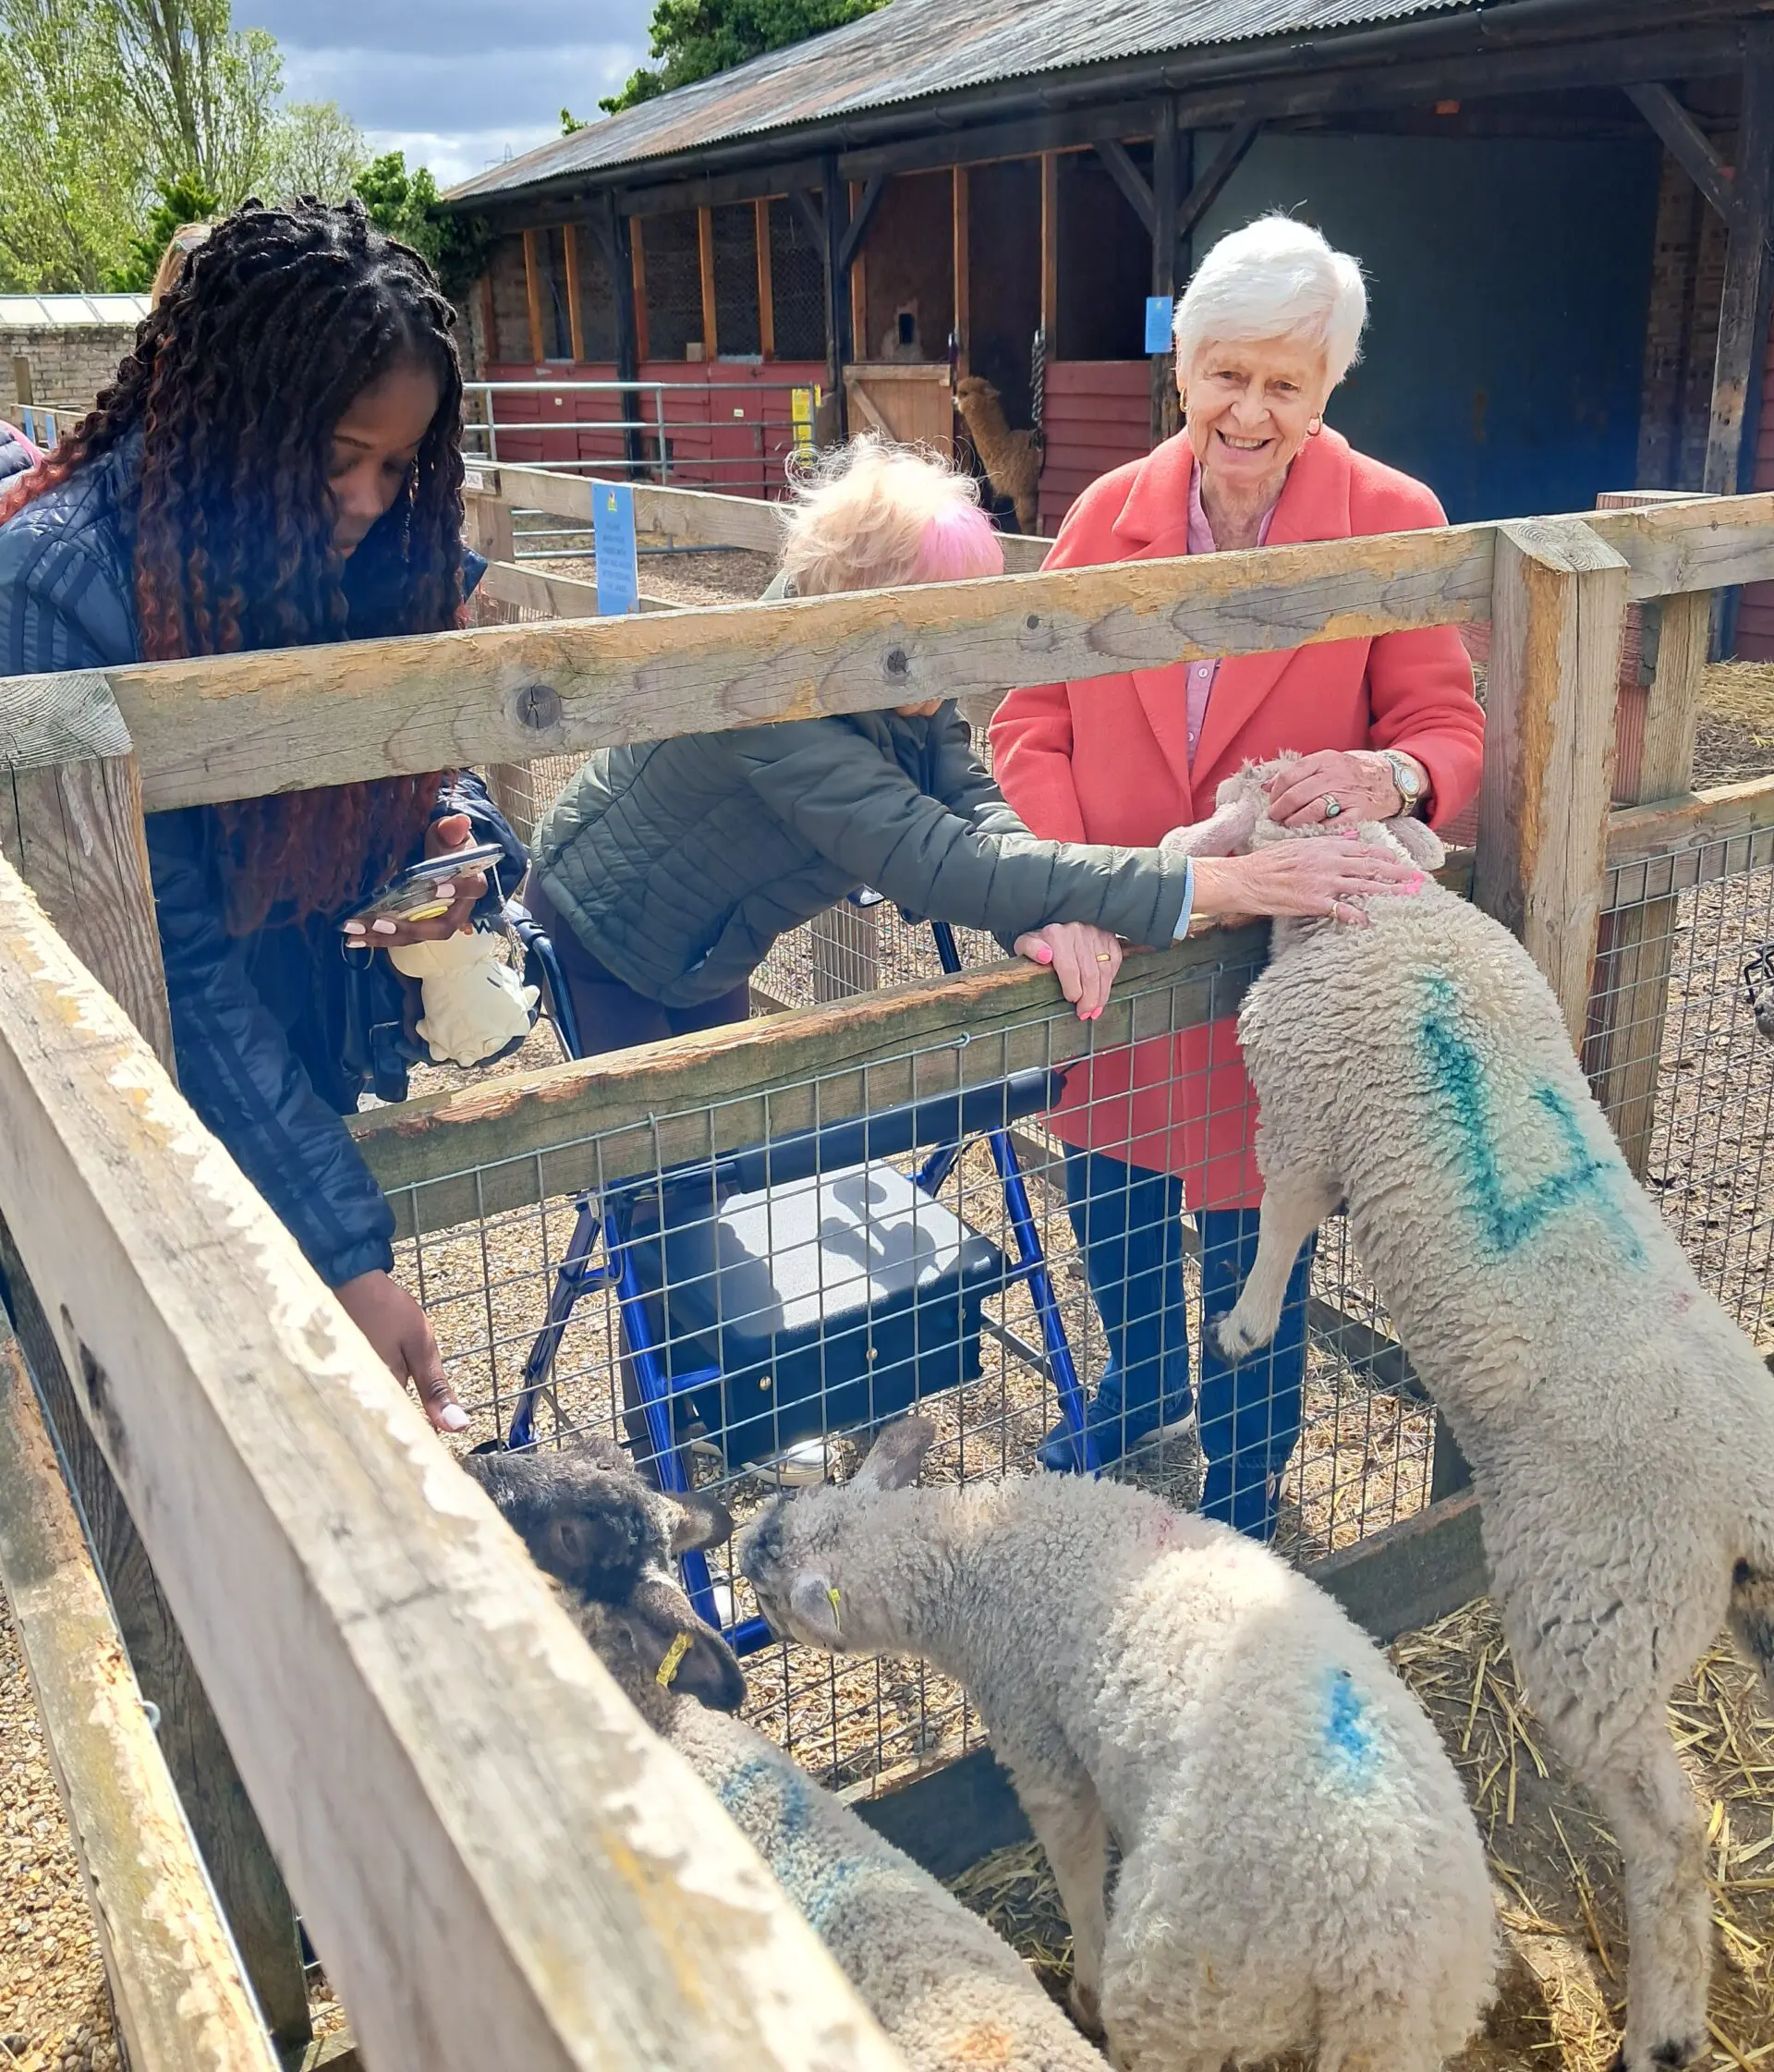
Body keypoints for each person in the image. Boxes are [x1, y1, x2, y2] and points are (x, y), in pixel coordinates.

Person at [991, 214, 1486, 1530]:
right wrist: (1062, 883)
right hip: (1123, 944)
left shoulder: (1391, 522)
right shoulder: (1107, 513)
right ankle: (1140, 1392)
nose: (1249, 412)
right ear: (1184, 370)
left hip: (1280, 990)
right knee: (1116, 1213)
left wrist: (1398, 780)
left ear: (1328, 387)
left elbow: (1445, 728)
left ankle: (1244, 1492)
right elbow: (1028, 720)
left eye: (1285, 383)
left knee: (1260, 1263)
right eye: (1226, 376)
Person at [0, 201, 526, 1431]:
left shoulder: (347, 556)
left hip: (288, 1039)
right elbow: (149, 944)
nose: (365, 498)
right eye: (339, 454)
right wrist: (344, 1242)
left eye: (397, 466)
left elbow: (413, 749)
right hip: (127, 1100)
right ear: (241, 415)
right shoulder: (58, 588)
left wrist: (453, 844)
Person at [528, 438, 1420, 1054]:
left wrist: (1054, 904)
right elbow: (938, 860)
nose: (955, 662)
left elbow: (970, 800)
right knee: (658, 1191)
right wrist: (1220, 883)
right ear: (863, 600)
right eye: (939, 632)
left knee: (720, 1165)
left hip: (711, 943)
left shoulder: (896, 665)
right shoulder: (770, 694)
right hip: (608, 928)